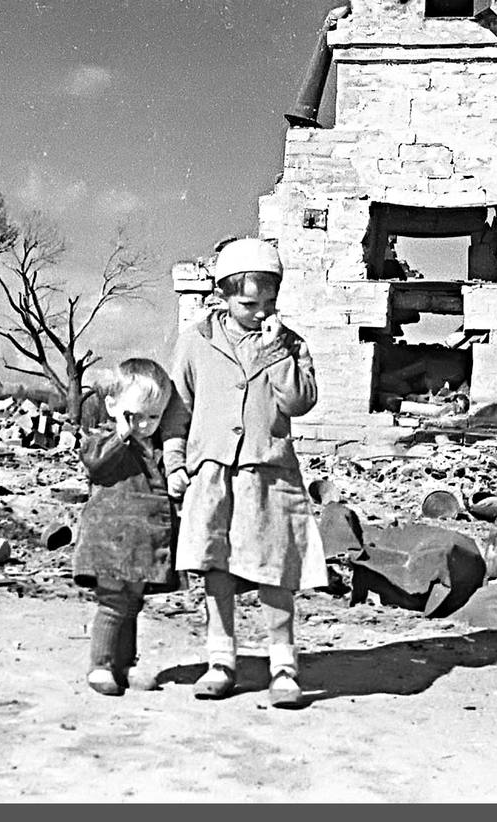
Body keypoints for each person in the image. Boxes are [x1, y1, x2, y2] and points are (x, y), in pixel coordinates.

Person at [162, 237, 328, 709]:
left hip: (269, 475)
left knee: (276, 570)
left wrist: (276, 353)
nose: (261, 313)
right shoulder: (196, 341)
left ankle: (283, 666)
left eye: (269, 303)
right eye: (249, 304)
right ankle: (221, 662)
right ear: (223, 295)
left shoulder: (290, 344)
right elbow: (177, 412)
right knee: (216, 569)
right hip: (212, 474)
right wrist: (175, 462)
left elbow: (299, 401)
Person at [73, 358, 179, 696]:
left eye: (154, 417)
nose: (143, 425)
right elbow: (94, 464)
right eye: (135, 416)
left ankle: (124, 665)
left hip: (141, 541)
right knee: (112, 601)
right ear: (112, 406)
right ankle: (100, 665)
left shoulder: (156, 448)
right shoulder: (102, 440)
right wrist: (120, 433)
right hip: (109, 538)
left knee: (133, 602)